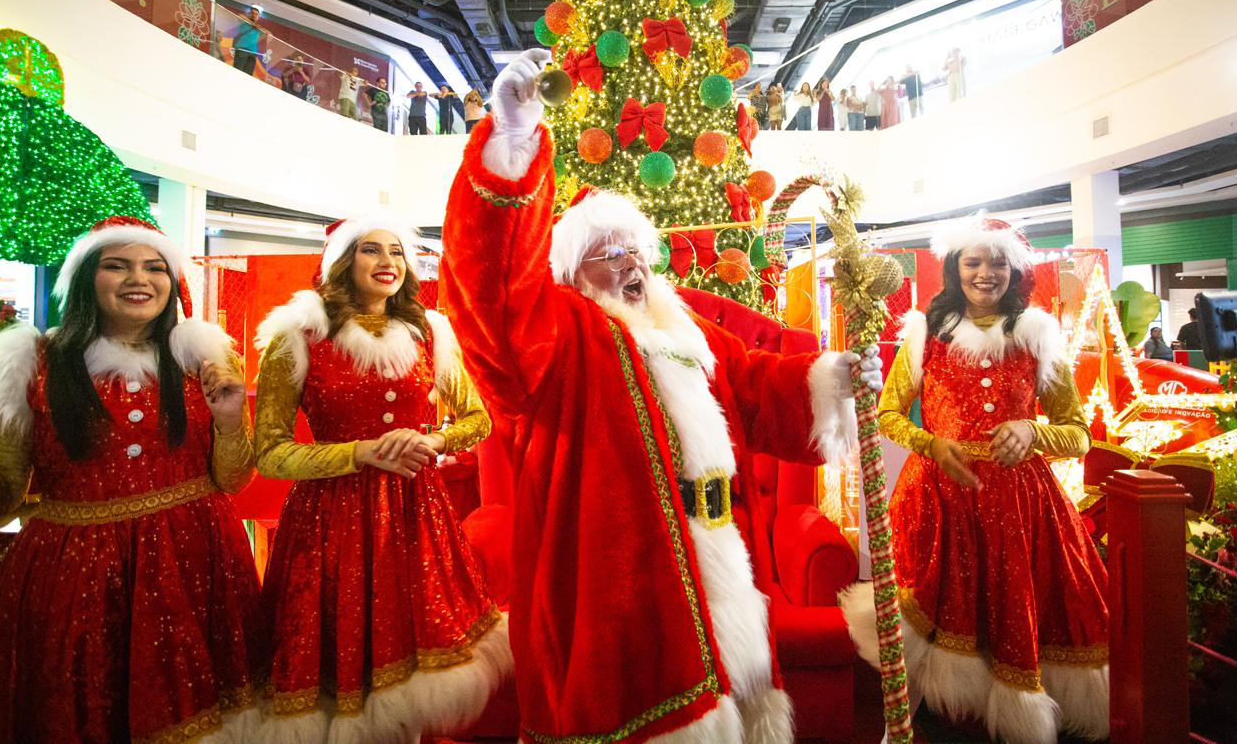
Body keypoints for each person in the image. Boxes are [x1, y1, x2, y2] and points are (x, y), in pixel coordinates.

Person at [441, 48, 884, 743]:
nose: (631, 264)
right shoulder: (558, 334)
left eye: (636, 250)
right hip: (622, 579)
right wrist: (512, 137)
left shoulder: (685, 327)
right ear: (573, 271)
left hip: (722, 556)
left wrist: (832, 379)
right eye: (609, 252)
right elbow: (489, 293)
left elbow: (756, 388)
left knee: (735, 712)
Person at [0, 216, 263, 742]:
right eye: (117, 266)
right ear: (86, 278)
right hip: (74, 576)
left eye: (154, 267)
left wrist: (230, 419)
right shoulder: (32, 362)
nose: (139, 279)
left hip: (197, 562)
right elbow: (3, 496)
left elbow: (233, 481)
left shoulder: (203, 358)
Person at [844, 216, 1108, 744]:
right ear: (954, 268)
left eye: (998, 263)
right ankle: (903, 730)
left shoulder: (1038, 337)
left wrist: (1033, 432)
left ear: (1016, 271)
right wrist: (931, 443)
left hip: (1021, 511)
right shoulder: (926, 333)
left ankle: (1014, 725)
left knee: (1016, 617)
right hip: (937, 503)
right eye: (973, 262)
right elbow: (886, 413)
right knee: (924, 632)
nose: (986, 273)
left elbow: (1078, 434)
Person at [252, 216, 507, 741]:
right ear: (344, 263)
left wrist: (431, 441)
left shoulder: (428, 332)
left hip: (416, 518)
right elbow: (271, 455)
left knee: (411, 672)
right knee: (338, 676)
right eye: (371, 250)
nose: (387, 261)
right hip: (330, 525)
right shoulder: (298, 336)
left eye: (396, 251)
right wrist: (360, 453)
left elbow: (478, 420)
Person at [232, 5, 265, 77]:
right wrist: (252, 24)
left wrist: (259, 28)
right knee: (237, 72)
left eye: (256, 14)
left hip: (253, 53)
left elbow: (268, 34)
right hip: (242, 50)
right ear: (249, 14)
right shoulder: (245, 22)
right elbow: (240, 15)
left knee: (248, 76)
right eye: (252, 13)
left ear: (258, 17)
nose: (254, 15)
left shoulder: (258, 28)